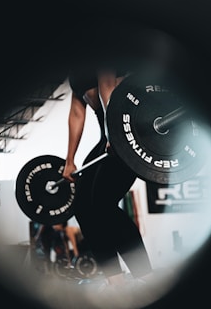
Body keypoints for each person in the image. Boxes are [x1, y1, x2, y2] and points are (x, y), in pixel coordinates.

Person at [62, 67, 152, 289]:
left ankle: (146, 277)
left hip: (128, 127)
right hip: (108, 134)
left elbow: (108, 86)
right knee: (83, 206)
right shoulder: (74, 70)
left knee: (102, 202)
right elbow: (76, 112)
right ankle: (117, 283)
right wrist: (70, 159)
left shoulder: (99, 48)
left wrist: (115, 134)